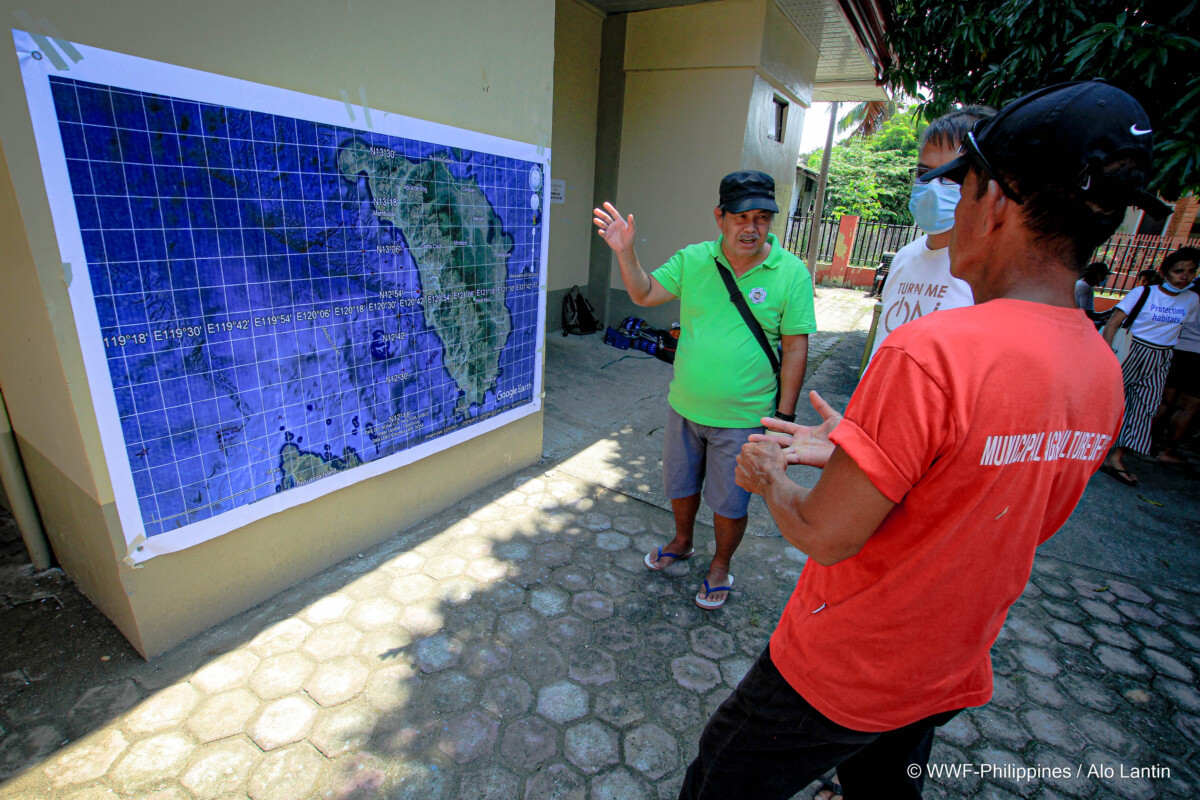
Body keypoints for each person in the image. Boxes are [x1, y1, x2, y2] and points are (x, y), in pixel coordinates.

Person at [678, 81, 1164, 800]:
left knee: (715, 785)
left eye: (959, 187)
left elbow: (826, 533)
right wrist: (872, 443)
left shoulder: (932, 353)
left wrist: (767, 475)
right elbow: (1013, 509)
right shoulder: (1100, 366)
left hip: (845, 664)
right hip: (946, 664)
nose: (952, 206)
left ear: (995, 201)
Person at [593, 171, 816, 610]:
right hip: (685, 408)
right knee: (679, 485)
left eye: (762, 218)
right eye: (740, 217)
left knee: (730, 501)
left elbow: (795, 349)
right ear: (720, 216)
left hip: (745, 419)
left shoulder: (790, 273)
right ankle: (681, 541)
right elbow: (642, 293)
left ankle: (720, 564)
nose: (751, 227)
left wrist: (784, 421)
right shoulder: (694, 260)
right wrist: (625, 250)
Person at [867, 106, 994, 363]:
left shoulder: (991, 275)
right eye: (925, 174)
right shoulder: (905, 257)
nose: (934, 187)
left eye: (949, 176)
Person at [1101, 247, 1200, 484]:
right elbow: (1114, 323)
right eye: (1178, 271)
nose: (1184, 276)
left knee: (1145, 408)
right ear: (1164, 272)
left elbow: (1185, 332)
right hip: (1131, 350)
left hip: (1161, 357)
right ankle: (1093, 447)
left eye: (1190, 271)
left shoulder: (1192, 300)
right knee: (1110, 400)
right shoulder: (1144, 292)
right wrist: (1105, 355)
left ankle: (1116, 458)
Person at [1155, 274, 1200, 463]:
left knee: (1165, 399)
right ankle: (1168, 450)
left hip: (1176, 348)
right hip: (1197, 354)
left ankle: (1143, 442)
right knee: (1188, 406)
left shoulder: (1189, 289)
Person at [1076, 260, 1113, 326]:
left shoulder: (1079, 284)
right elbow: (1087, 315)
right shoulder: (1086, 289)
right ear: (1099, 276)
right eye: (1104, 276)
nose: (1105, 279)